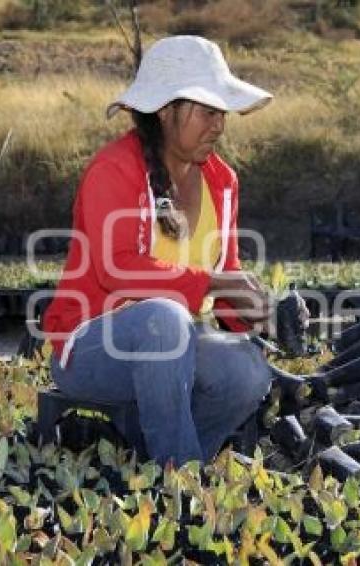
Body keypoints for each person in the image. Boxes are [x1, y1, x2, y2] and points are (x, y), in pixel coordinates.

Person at [42, 35, 282, 468]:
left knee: (246, 372)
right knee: (163, 319)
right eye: (208, 112)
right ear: (166, 111)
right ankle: (180, 480)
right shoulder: (114, 170)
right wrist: (213, 282)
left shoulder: (222, 181)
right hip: (93, 348)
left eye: (222, 113)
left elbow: (225, 276)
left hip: (175, 344)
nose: (220, 125)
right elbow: (119, 271)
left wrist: (254, 309)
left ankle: (163, 464)